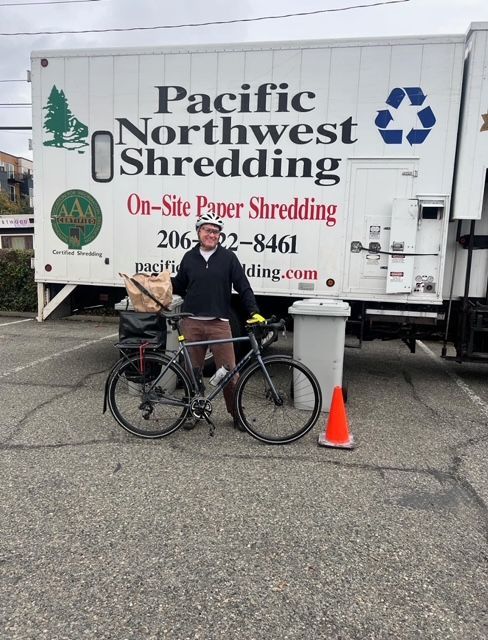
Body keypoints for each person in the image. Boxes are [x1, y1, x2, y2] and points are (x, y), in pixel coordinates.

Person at [171, 212, 264, 428]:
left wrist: (254, 311)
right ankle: (192, 412)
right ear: (198, 232)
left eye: (216, 231)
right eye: (207, 230)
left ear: (219, 235)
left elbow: (243, 286)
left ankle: (236, 414)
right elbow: (180, 284)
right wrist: (160, 283)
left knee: (230, 371)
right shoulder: (189, 257)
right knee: (190, 372)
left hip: (219, 323)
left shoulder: (228, 258)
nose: (211, 234)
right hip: (191, 321)